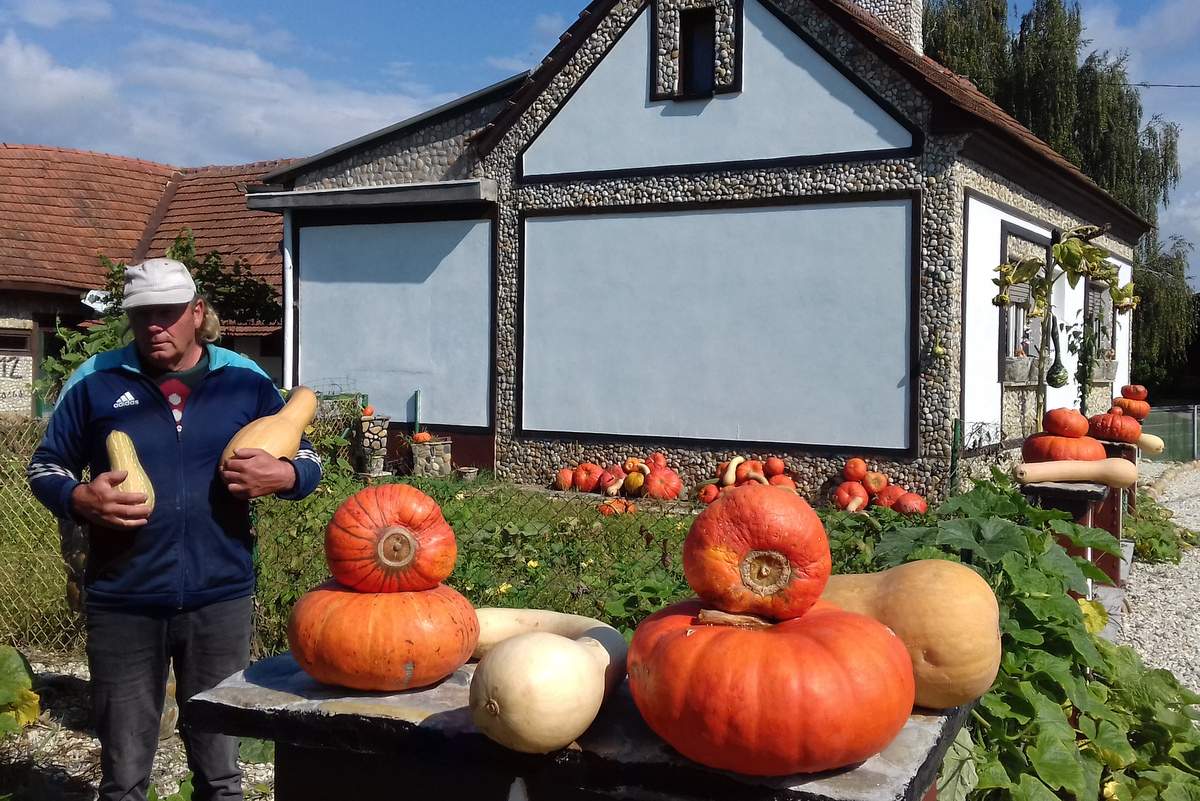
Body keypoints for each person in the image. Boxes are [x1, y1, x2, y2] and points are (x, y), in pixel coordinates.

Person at [26, 258, 323, 801]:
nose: (155, 327)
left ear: (197, 312)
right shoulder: (95, 381)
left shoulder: (244, 379)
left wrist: (284, 473)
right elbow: (45, 466)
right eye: (142, 315)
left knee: (220, 767)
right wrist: (79, 498)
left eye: (168, 313)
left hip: (220, 595)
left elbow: (308, 459)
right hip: (123, 597)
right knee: (123, 769)